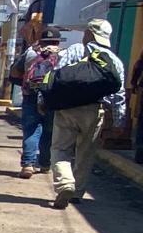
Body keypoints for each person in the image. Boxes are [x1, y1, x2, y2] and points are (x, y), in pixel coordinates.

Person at [43, 18, 125, 209]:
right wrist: (119, 122)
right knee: (85, 152)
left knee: (60, 149)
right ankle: (78, 191)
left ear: (89, 34)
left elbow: (54, 77)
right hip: (94, 110)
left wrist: (43, 101)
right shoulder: (114, 61)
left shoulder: (74, 51)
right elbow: (118, 94)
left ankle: (65, 184)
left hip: (67, 109)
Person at [18, 28, 61, 178]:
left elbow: (15, 72)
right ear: (57, 41)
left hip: (31, 94)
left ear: (41, 40)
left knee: (31, 129)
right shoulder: (62, 54)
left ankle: (28, 165)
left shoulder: (30, 53)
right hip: (52, 96)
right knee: (49, 131)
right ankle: (45, 164)